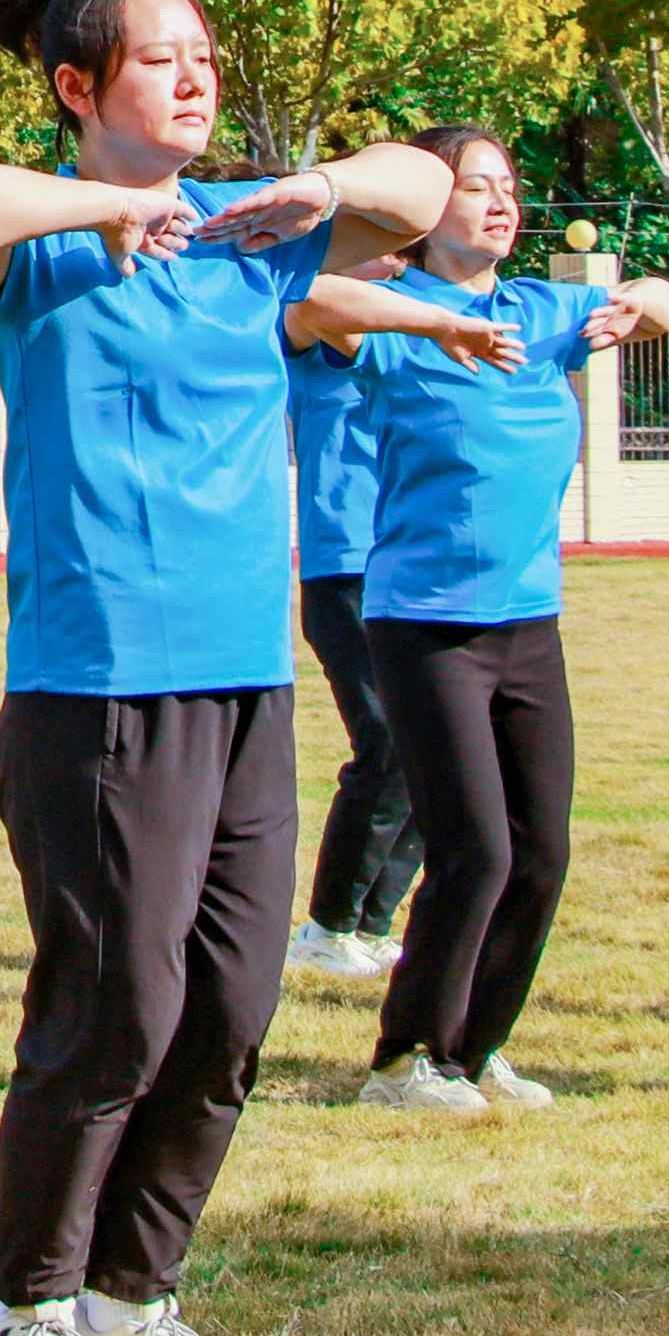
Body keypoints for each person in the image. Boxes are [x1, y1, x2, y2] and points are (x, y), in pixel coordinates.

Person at [0, 0, 446, 1336]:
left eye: (206, 55)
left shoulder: (254, 241)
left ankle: (133, 1299)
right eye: (161, 59)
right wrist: (109, 208)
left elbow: (424, 191)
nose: (196, 80)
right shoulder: (47, 255)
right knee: (117, 1006)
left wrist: (314, 187)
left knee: (231, 1008)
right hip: (100, 685)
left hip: (246, 679)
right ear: (78, 89)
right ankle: (21, 1317)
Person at [304, 127, 669, 1122]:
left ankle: (473, 1049)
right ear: (427, 212)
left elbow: (664, 300)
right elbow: (308, 301)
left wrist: (645, 299)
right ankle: (402, 1062)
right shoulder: (390, 320)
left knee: (540, 853)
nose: (502, 202)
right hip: (425, 625)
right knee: (474, 850)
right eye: (475, 187)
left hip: (529, 620)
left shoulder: (544, 311)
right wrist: (431, 320)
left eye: (508, 186)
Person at [279, 308, 422, 987]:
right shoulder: (319, 327)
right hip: (348, 568)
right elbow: (311, 306)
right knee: (387, 740)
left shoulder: (427, 331)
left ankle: (371, 926)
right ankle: (328, 927)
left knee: (433, 749)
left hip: (418, 563)